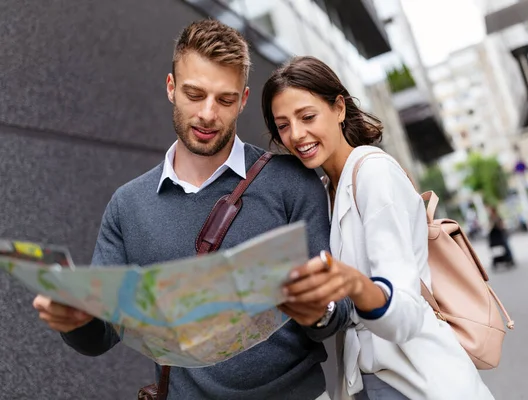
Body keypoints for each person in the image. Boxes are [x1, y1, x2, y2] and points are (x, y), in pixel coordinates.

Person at [31, 20, 352, 400]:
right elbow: (100, 336)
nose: (208, 114)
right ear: (171, 88)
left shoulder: (291, 182)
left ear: (244, 99)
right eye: (194, 94)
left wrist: (318, 309)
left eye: (225, 99)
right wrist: (74, 321)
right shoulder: (128, 205)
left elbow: (338, 310)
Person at [262, 56, 495, 400]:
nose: (296, 134)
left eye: (307, 116)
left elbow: (406, 311)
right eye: (283, 125)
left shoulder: (373, 174)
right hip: (370, 382)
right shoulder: (328, 187)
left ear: (339, 108)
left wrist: (355, 285)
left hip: (416, 381)